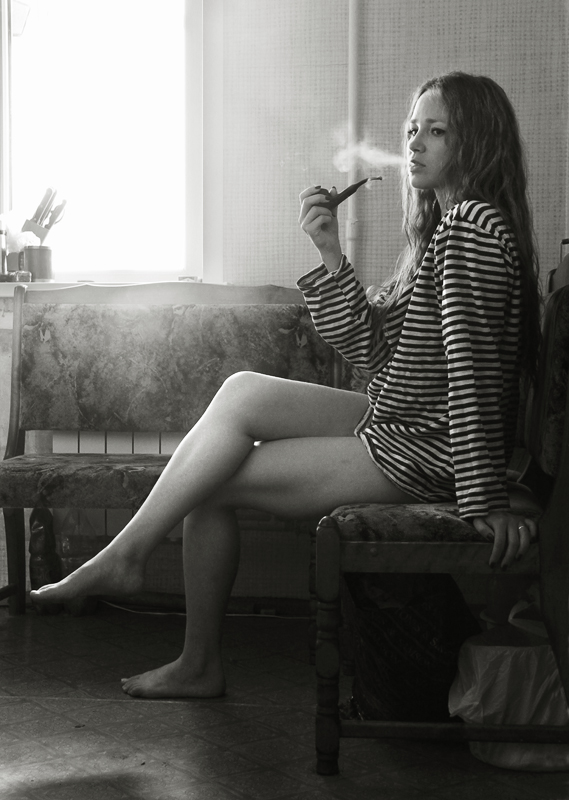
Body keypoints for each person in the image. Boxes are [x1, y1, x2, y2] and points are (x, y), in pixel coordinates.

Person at [31, 71, 540, 702]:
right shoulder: (447, 229)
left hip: (427, 448)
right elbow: (375, 355)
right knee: (242, 390)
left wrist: (485, 498)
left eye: (437, 131)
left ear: (478, 142)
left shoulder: (469, 226)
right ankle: (135, 567)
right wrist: (329, 253)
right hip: (407, 421)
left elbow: (472, 368)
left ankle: (170, 623)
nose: (414, 143)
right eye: (413, 129)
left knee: (207, 485)